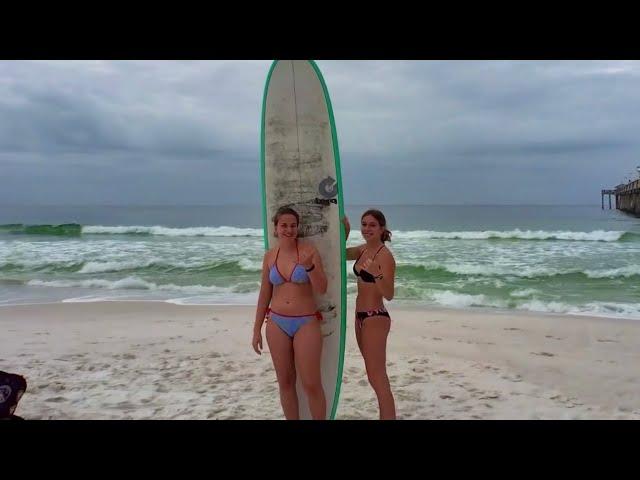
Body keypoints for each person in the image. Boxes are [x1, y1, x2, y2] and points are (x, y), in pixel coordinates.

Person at [252, 207, 328, 420]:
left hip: (306, 322)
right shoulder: (269, 256)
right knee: (285, 382)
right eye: (284, 225)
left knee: (311, 383)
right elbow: (264, 294)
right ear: (276, 228)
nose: (289, 229)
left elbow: (322, 288)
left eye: (293, 225)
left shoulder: (309, 251)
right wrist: (256, 329)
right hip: (276, 322)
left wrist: (310, 267)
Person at [343, 209, 397, 420]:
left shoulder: (385, 256)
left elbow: (389, 294)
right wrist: (345, 232)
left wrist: (377, 273)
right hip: (360, 317)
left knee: (378, 377)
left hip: (375, 317)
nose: (367, 229)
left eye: (372, 225)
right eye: (364, 224)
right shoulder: (364, 250)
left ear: (381, 228)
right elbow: (340, 254)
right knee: (372, 375)